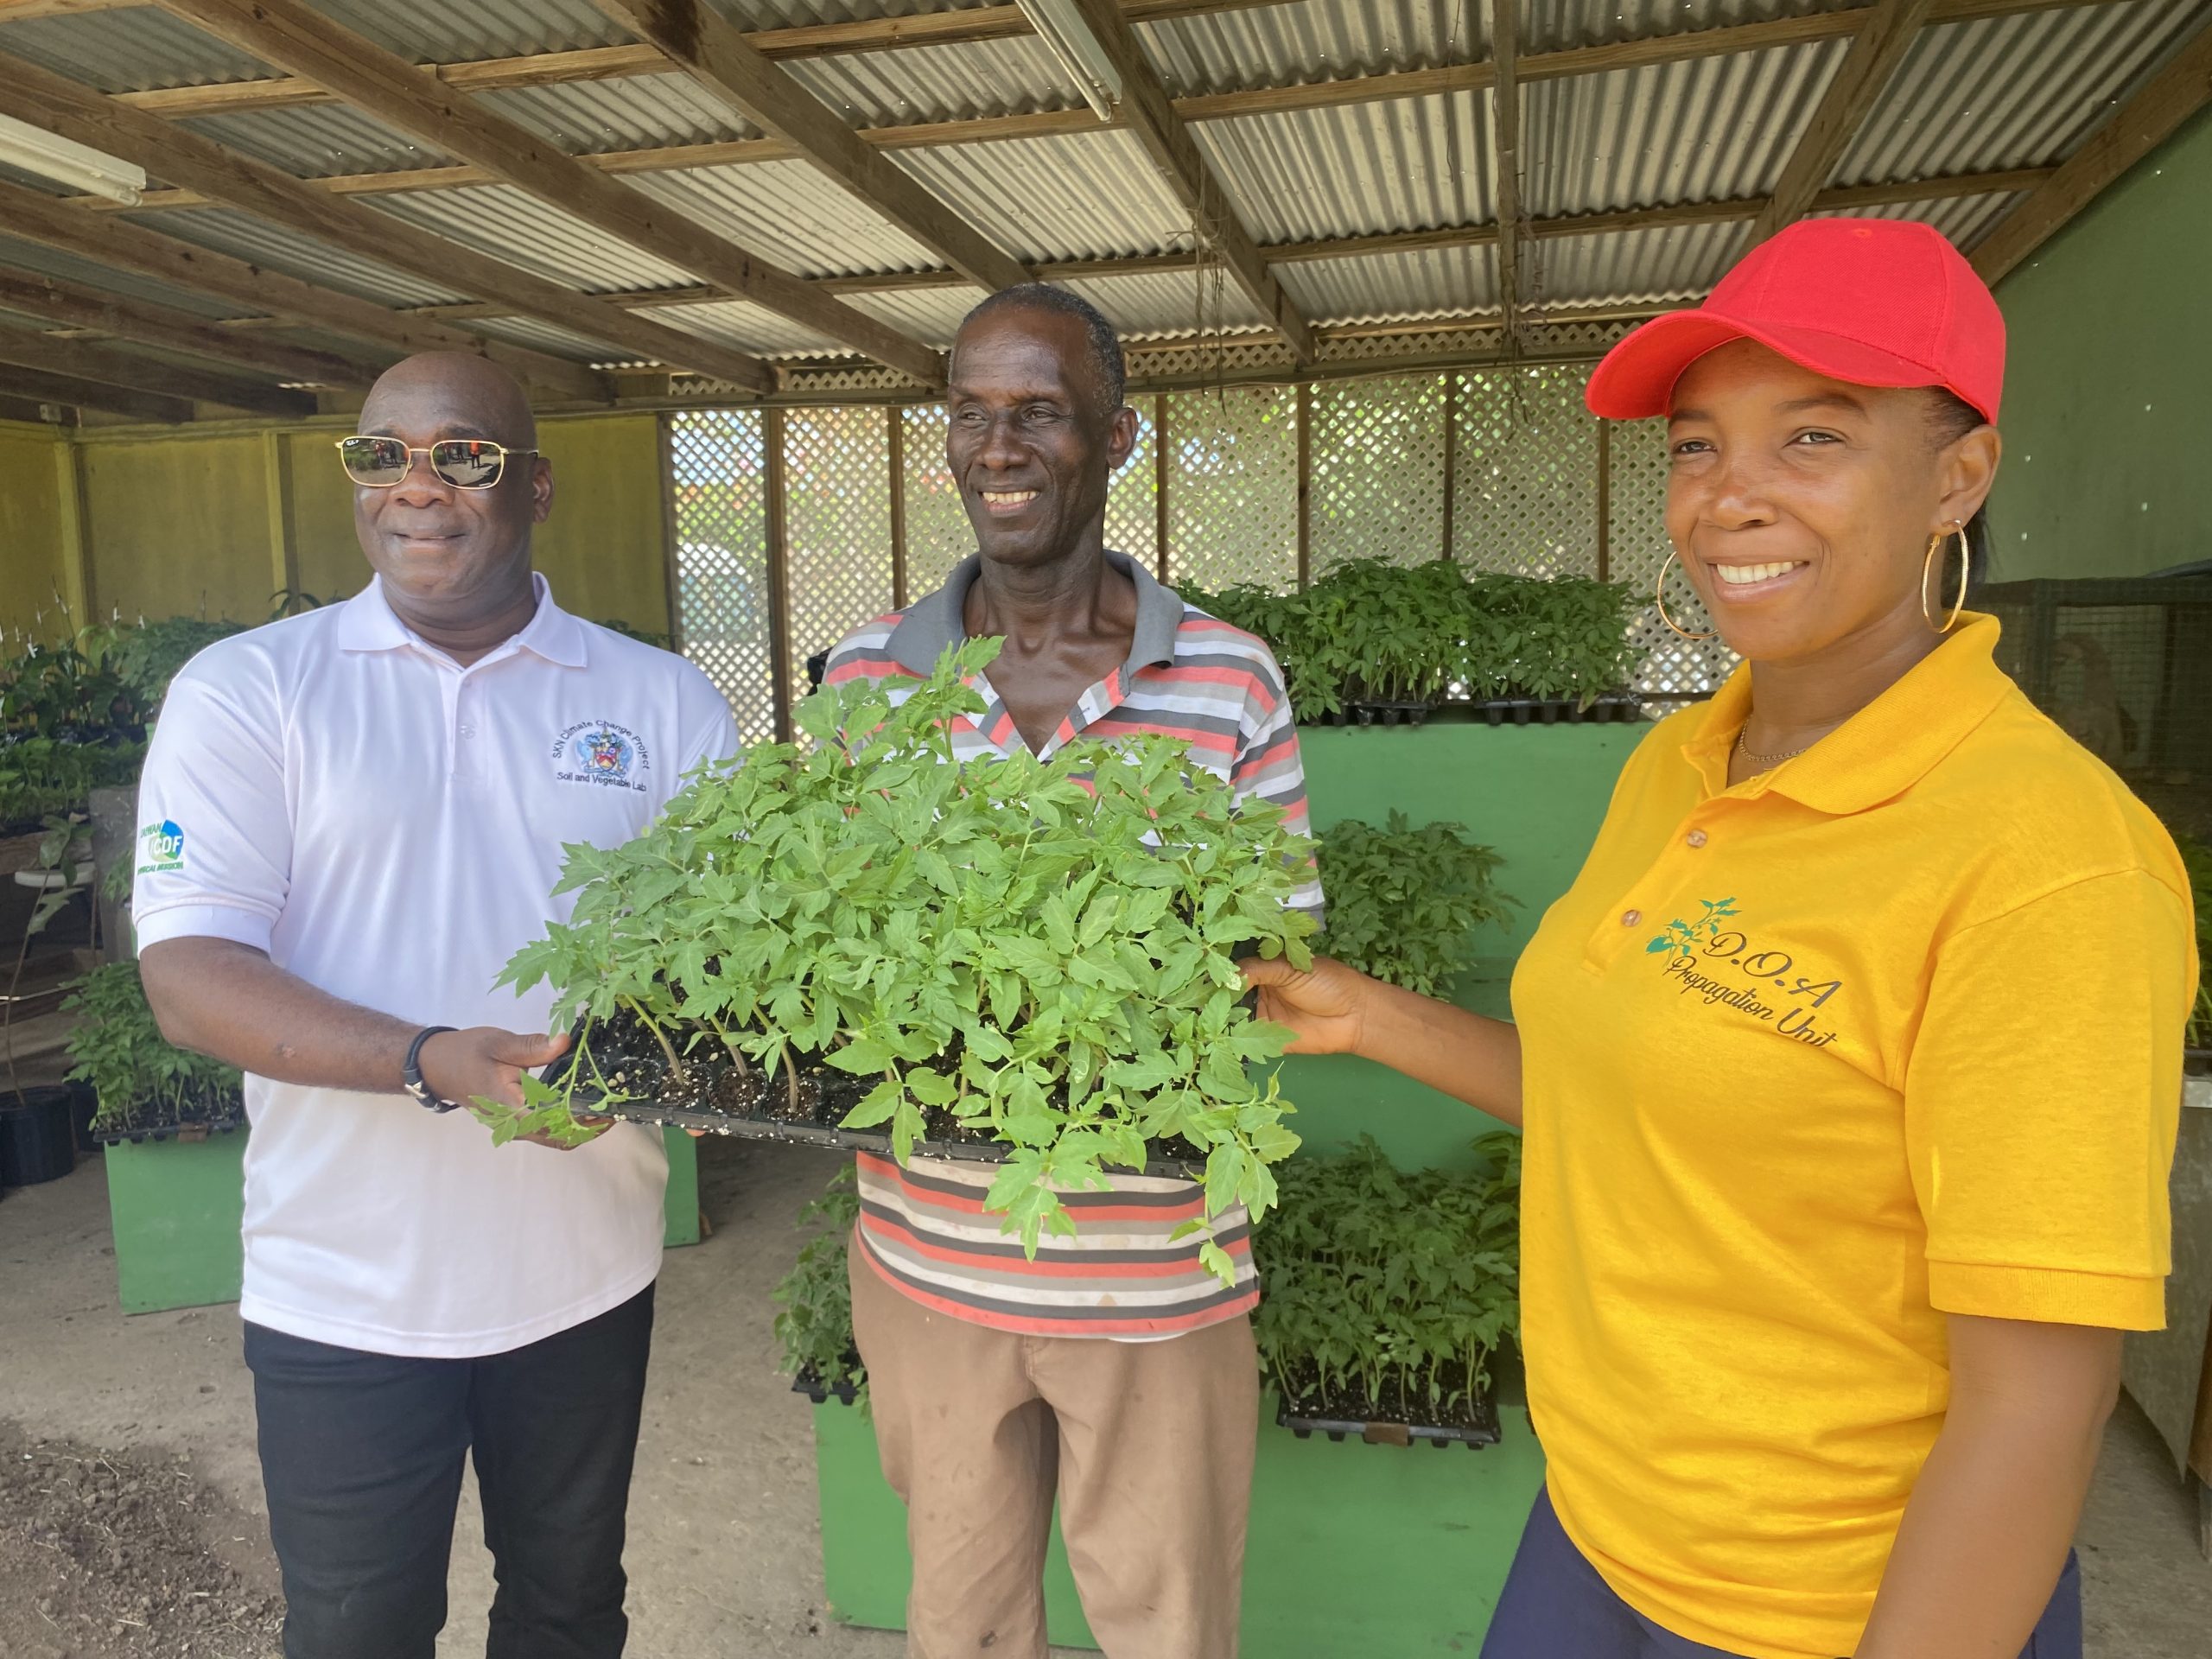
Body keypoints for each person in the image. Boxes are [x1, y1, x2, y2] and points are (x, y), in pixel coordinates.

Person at [1243, 219, 2197, 1659]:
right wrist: (1364, 1016)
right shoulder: (1686, 761)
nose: (1729, 496)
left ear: (1960, 475)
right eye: (1698, 447)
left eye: (1812, 437)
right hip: (1597, 1534)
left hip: (1828, 1609)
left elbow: (2038, 1407)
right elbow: (1638, 1092)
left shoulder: (2048, 863)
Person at [132, 352, 737, 1659]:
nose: (419, 489)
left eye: (462, 456)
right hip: (342, 1283)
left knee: (570, 1614)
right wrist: (429, 1061)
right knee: (358, 1631)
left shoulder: (659, 702)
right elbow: (187, 974)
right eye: (382, 457)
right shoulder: (251, 690)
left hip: (582, 1271)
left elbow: (721, 967)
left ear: (534, 484)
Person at [818, 284, 1323, 1659]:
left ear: (1117, 437)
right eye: (972, 414)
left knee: (1166, 1628)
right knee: (962, 1626)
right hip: (930, 1272)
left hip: (1155, 1279)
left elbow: (1276, 956)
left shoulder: (1226, 678)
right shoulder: (869, 680)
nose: (1000, 447)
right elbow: (820, 948)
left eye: (1039, 411)